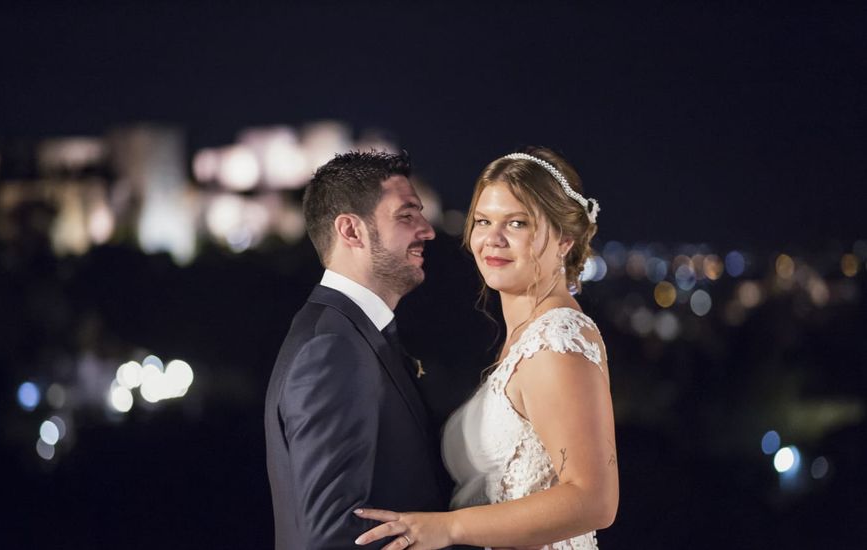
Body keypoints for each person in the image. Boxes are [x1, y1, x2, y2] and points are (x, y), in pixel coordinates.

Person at [355, 146, 618, 549]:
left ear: (564, 239)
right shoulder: (525, 339)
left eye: (516, 223)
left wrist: (449, 528)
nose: (492, 239)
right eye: (482, 221)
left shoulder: (557, 340)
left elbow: (594, 499)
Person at [264, 150, 450, 550]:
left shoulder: (348, 333)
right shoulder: (332, 349)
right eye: (406, 215)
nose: (428, 230)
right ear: (351, 230)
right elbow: (332, 537)